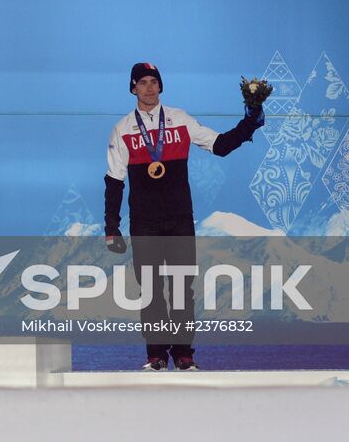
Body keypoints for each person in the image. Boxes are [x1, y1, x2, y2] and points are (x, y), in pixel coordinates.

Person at [103, 62, 264, 371]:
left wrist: (250, 123)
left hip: (179, 218)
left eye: (154, 82)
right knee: (150, 289)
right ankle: (156, 355)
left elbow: (220, 145)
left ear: (161, 87)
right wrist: (112, 227)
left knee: (181, 288)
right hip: (144, 221)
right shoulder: (122, 128)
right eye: (143, 82)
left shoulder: (180, 119)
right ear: (133, 88)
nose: (149, 87)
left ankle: (183, 353)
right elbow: (114, 181)